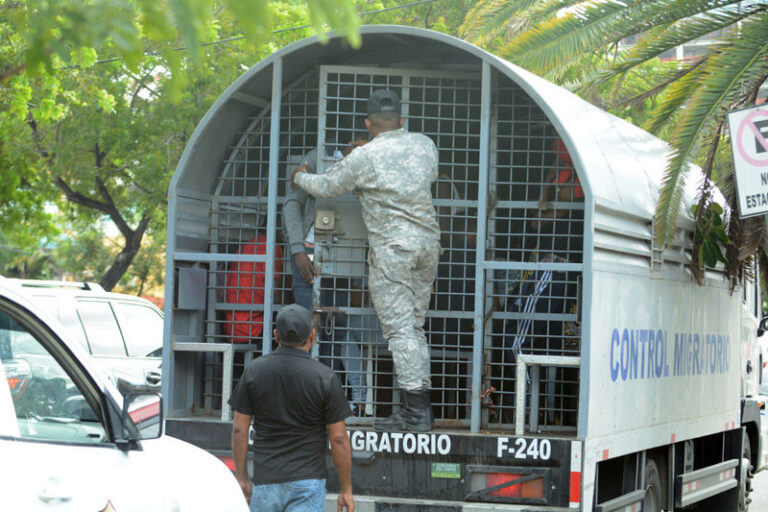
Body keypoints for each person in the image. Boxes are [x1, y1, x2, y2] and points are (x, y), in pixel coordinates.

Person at [292, 89, 441, 432]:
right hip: (428, 246)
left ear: (368, 124)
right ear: (402, 121)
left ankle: (415, 413)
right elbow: (422, 177)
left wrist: (299, 176)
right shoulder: (425, 145)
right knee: (414, 329)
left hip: (393, 251)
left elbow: (327, 186)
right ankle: (420, 408)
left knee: (401, 331)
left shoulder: (365, 157)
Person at [229, 304, 354, 512]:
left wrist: (242, 478)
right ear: (312, 335)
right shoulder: (324, 377)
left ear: (276, 335)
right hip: (308, 481)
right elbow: (339, 438)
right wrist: (346, 489)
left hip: (266, 481)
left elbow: (239, 430)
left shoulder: (254, 371)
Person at [282, 149, 368, 413]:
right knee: (308, 330)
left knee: (336, 333)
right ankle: (306, 402)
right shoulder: (319, 155)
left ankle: (327, 401)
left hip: (345, 261)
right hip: (310, 257)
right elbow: (292, 204)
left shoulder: (369, 157)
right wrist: (298, 249)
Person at [223, 234, 284, 343]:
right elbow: (275, 295)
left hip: (231, 329)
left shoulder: (247, 245)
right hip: (254, 330)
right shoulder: (271, 247)